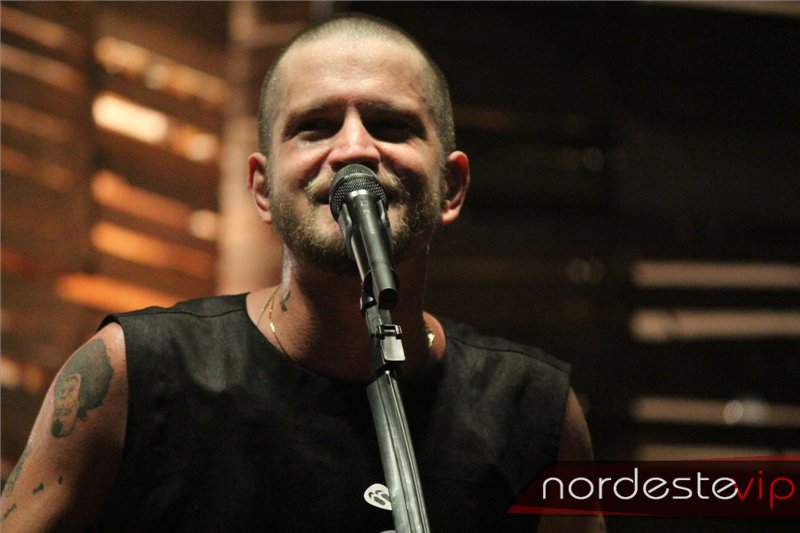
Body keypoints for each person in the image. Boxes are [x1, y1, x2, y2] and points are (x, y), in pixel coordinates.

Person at [1, 13, 604, 533]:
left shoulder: (537, 413)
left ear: (452, 187)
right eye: (315, 126)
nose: (354, 150)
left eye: (390, 125)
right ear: (263, 189)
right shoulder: (135, 374)